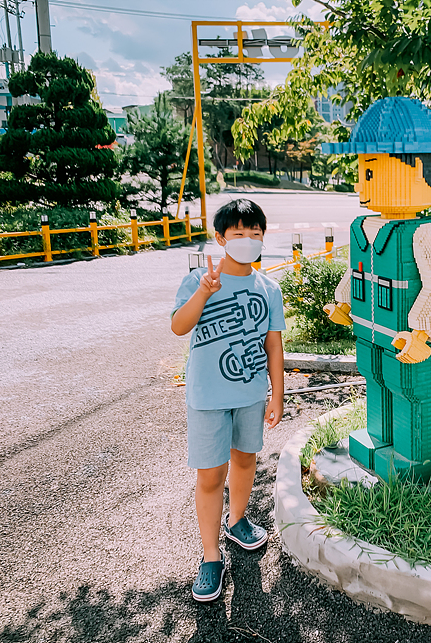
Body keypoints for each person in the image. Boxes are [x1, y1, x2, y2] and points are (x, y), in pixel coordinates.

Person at [321, 97, 431, 483]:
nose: (360, 183)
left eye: (371, 172)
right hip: (372, 335)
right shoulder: (365, 229)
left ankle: (414, 456)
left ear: (418, 171)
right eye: (363, 171)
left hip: (411, 343)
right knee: (377, 382)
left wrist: (423, 331)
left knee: (411, 395)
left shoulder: (426, 234)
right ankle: (379, 439)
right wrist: (344, 302)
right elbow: (359, 272)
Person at [171, 199, 285, 602]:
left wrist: (278, 394)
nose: (248, 240)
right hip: (207, 397)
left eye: (255, 234)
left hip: (250, 394)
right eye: (239, 234)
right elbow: (178, 327)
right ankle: (209, 556)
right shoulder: (199, 281)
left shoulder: (269, 288)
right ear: (220, 238)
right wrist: (204, 293)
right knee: (209, 476)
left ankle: (237, 521)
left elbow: (274, 344)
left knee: (245, 459)